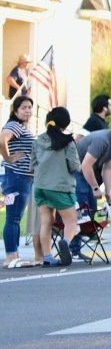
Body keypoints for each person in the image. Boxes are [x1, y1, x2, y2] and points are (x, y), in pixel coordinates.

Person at [31, 106, 81, 266]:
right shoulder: (68, 142)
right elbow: (74, 166)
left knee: (46, 222)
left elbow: (31, 165)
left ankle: (47, 256)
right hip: (60, 187)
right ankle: (65, 242)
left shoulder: (38, 141)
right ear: (65, 123)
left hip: (39, 186)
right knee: (71, 221)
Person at [2, 94, 37, 268]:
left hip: (20, 177)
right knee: (13, 218)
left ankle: (14, 254)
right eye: (23, 107)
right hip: (16, 177)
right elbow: (2, 140)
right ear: (15, 110)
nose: (28, 110)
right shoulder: (14, 125)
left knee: (15, 217)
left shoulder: (21, 127)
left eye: (30, 107)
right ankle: (10, 256)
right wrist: (8, 158)